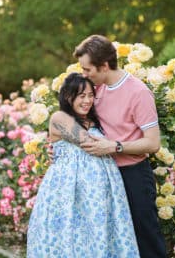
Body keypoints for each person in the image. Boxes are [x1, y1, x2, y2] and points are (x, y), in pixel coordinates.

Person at [71, 35, 167, 258]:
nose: (84, 75)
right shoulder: (95, 89)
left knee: (146, 238)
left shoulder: (138, 92)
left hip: (133, 175)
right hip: (102, 176)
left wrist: (114, 147)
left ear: (104, 65)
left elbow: (153, 143)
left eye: (87, 69)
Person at [27, 73, 140, 258]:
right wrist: (110, 143)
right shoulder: (59, 117)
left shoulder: (95, 120)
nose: (87, 100)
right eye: (81, 96)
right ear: (68, 96)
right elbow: (88, 142)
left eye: (90, 95)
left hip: (100, 192)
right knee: (71, 234)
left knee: (100, 235)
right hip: (69, 189)